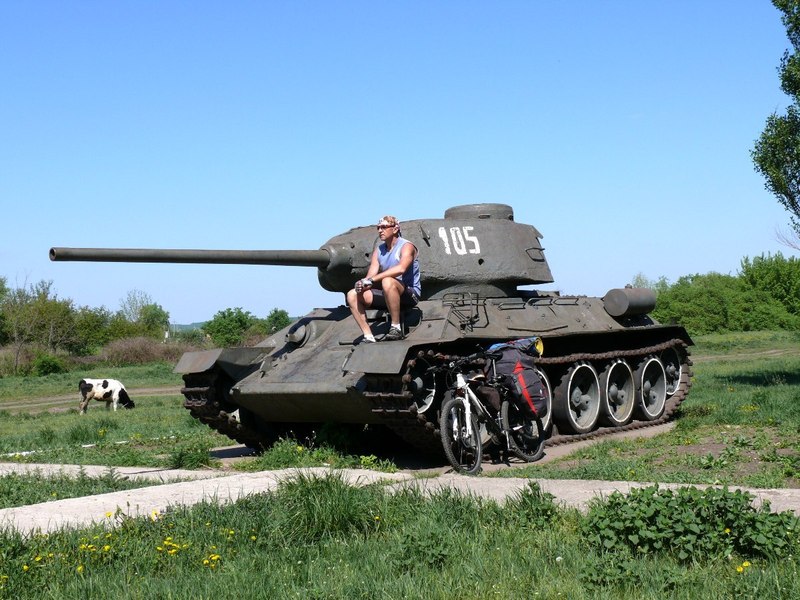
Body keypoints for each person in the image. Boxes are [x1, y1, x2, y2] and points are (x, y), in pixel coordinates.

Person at [347, 215, 421, 343]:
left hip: (409, 294)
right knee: (352, 294)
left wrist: (373, 280)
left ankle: (395, 327)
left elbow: (401, 268)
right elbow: (370, 277)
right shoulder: (379, 251)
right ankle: (368, 336)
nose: (380, 230)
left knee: (387, 281)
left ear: (395, 229)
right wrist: (362, 283)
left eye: (384, 227)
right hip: (388, 293)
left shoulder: (406, 246)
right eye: (378, 228)